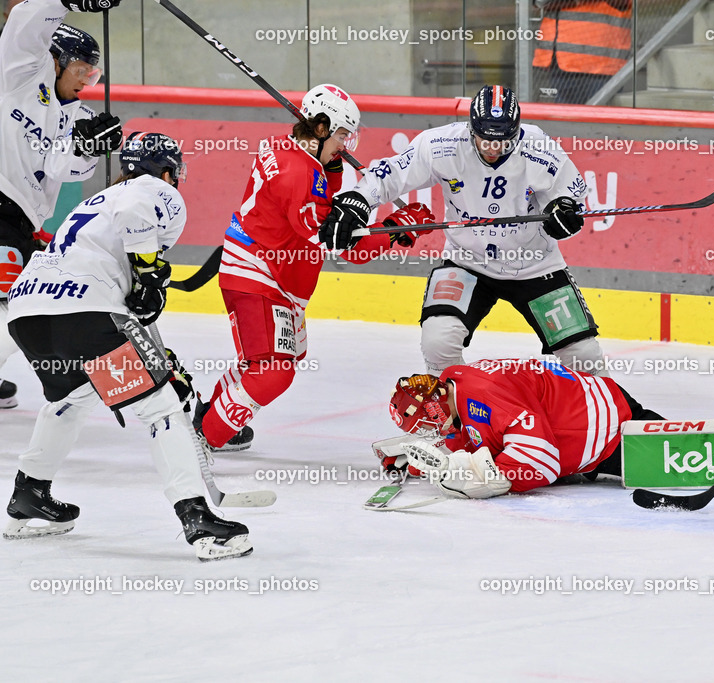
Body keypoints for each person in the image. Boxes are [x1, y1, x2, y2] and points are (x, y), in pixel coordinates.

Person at [4, 131, 253, 561]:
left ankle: (30, 492)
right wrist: (150, 268)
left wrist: (148, 302)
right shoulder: (154, 188)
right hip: (84, 312)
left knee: (73, 397)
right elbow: (139, 215)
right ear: (168, 169)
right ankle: (197, 519)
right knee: (161, 406)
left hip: (30, 313)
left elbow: (123, 291)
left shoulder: (95, 201)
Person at [194, 84, 436, 452]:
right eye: (341, 135)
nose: (346, 145)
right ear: (320, 128)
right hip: (259, 274)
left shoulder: (291, 150)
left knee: (272, 359)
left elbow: (321, 194)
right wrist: (395, 229)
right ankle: (203, 437)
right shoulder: (299, 175)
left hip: (270, 272)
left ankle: (211, 414)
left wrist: (332, 162)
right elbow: (343, 245)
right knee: (273, 370)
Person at [319, 84, 606, 377]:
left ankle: (611, 412)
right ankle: (454, 412)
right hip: (467, 262)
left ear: (517, 132)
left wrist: (564, 215)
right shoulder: (441, 144)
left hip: (534, 265)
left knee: (584, 355)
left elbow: (571, 200)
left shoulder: (540, 147)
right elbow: (389, 174)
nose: (494, 149)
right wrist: (358, 200)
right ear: (471, 130)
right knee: (437, 340)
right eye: (485, 141)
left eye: (504, 142)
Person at [0, 0, 124, 408]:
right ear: (57, 61)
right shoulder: (19, 74)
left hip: (21, 221)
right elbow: (24, 20)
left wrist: (87, 148)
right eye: (83, 69)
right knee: (13, 305)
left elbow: (62, 167)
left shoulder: (74, 112)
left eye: (94, 73)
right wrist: (67, 1)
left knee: (26, 304)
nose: (89, 79)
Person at [384, 358, 663, 498]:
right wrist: (419, 464)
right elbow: (478, 435)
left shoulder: (485, 396)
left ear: (436, 406)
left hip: (606, 426)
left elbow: (540, 461)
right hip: (583, 413)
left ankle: (702, 451)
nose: (432, 431)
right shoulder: (454, 386)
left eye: (427, 423)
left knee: (674, 458)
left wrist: (481, 479)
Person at [532, 0, 633, 104]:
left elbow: (622, 3)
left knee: (600, 116)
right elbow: (541, 2)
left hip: (602, 64)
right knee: (565, 117)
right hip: (561, 61)